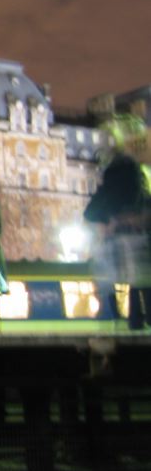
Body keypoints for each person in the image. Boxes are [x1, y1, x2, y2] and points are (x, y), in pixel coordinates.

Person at [84, 113, 151, 329]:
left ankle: (127, 321)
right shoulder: (132, 169)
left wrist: (104, 219)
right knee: (140, 280)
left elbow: (105, 198)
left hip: (125, 234)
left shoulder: (120, 168)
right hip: (135, 235)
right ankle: (135, 320)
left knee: (131, 280)